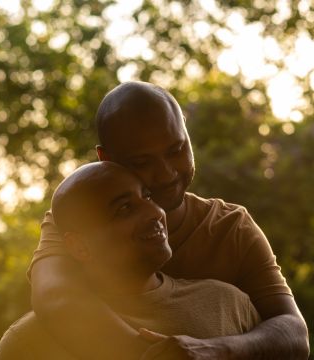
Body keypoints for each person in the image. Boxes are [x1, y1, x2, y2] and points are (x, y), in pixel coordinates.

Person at [30, 81, 309, 359]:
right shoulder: (79, 223)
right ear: (106, 158)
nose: (166, 174)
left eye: (176, 150)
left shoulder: (231, 227)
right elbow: (56, 298)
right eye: (141, 162)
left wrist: (214, 349)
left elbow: (294, 332)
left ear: (186, 131)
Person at [0, 162, 260, 360]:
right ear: (79, 246)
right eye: (124, 209)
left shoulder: (229, 305)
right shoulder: (29, 343)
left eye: (147, 196)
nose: (155, 212)